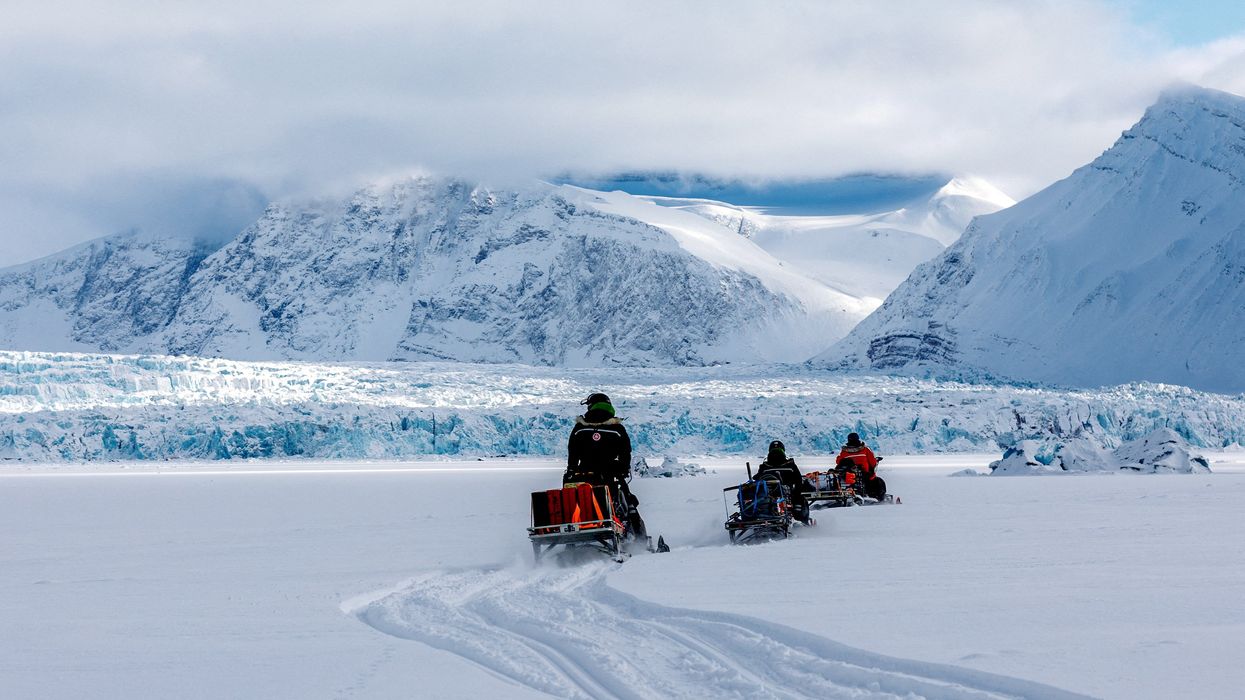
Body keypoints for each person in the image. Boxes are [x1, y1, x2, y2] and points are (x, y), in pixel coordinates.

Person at [564, 392, 645, 537]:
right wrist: (623, 468)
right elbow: (625, 452)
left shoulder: (580, 428)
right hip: (610, 474)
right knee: (629, 502)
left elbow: (573, 451)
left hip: (584, 474)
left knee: (576, 499)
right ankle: (639, 539)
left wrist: (571, 470)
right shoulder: (617, 428)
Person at [753, 440, 812, 524]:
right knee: (800, 499)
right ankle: (803, 521)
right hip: (787, 494)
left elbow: (757, 478)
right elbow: (798, 480)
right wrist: (797, 492)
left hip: (767, 494)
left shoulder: (764, 466)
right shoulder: (790, 464)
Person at [836, 432, 885, 501]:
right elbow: (873, 462)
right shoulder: (865, 450)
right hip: (863, 474)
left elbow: (839, 461)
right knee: (875, 481)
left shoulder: (844, 452)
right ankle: (876, 496)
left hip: (847, 474)